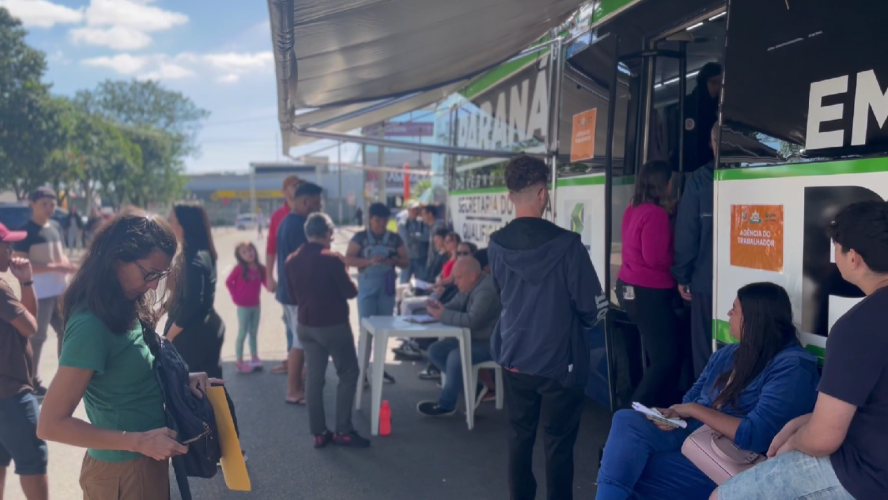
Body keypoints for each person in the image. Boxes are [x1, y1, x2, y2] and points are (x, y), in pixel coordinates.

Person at [713, 201, 888, 500]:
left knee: (721, 497)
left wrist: (793, 443)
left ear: (854, 258)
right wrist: (801, 422)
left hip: (866, 475)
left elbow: (822, 439)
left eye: (837, 246)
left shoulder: (856, 328)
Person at [36, 214, 214, 500]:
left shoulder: (126, 302)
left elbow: (129, 373)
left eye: (162, 276)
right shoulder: (91, 326)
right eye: (150, 273)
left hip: (144, 458)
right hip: (123, 470)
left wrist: (182, 380)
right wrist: (138, 441)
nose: (154, 286)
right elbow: (50, 424)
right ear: (117, 259)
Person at [596, 282, 820, 500]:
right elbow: (691, 398)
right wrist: (673, 413)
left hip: (731, 455)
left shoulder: (793, 367)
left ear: (755, 320)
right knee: (625, 421)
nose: (728, 314)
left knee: (634, 468)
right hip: (694, 434)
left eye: (735, 310)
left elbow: (755, 435)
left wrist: (693, 410)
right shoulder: (729, 353)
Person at [488, 155, 608, 500]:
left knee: (518, 438)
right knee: (558, 446)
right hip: (561, 363)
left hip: (514, 356)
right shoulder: (569, 245)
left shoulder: (495, 244)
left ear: (511, 197)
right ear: (543, 192)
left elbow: (501, 295)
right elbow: (591, 307)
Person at [285, 213, 369, 448]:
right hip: (333, 325)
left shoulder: (292, 259)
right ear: (328, 233)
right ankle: (343, 428)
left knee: (314, 377)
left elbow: (293, 295)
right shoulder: (332, 259)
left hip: (306, 326)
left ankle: (319, 432)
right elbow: (350, 292)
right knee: (348, 372)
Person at [617, 160, 683, 408]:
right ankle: (634, 411)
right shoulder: (655, 215)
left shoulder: (633, 207)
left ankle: (659, 409)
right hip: (649, 293)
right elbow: (655, 258)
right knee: (666, 358)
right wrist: (678, 260)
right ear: (664, 184)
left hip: (627, 287)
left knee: (658, 354)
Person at [13, 187, 77, 398]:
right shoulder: (26, 232)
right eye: (44, 204)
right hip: (39, 294)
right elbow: (22, 263)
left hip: (60, 292)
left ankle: (66, 378)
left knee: (67, 333)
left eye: (52, 204)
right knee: (36, 338)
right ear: (32, 204)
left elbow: (61, 256)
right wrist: (56, 267)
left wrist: (68, 265)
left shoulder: (56, 227)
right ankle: (32, 381)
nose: (50, 208)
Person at [418, 257, 501, 417]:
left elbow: (472, 321)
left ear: (472, 276)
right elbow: (453, 306)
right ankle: (476, 389)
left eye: (458, 277)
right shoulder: (471, 285)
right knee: (435, 351)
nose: (454, 282)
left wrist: (442, 315)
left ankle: (446, 405)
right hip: (473, 339)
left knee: (456, 357)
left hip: (490, 343)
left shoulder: (486, 290)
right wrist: (438, 308)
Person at [0, 223, 47, 500]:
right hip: (11, 394)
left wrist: (26, 282)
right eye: (7, 245)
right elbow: (30, 327)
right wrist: (26, 281)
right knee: (33, 458)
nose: (11, 250)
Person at [345, 202, 409, 385]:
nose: (381, 224)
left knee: (383, 330)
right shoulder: (360, 237)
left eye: (384, 220)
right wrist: (369, 260)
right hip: (366, 286)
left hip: (387, 288)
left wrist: (394, 260)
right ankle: (361, 373)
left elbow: (405, 262)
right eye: (377, 220)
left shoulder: (395, 239)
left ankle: (379, 370)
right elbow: (348, 258)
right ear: (370, 220)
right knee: (365, 330)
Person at [673, 123, 718, 378]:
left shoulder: (700, 180)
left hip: (705, 283)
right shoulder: (760, 174)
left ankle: (706, 411)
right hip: (751, 285)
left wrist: (682, 276)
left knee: (705, 354)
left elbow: (687, 234)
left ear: (713, 144)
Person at [164, 203, 225, 380]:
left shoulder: (192, 259)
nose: (169, 225)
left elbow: (192, 303)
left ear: (184, 225)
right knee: (210, 392)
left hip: (192, 336)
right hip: (206, 329)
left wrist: (169, 335)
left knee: (191, 395)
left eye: (171, 220)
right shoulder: (204, 252)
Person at [278, 182, 323, 405]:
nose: (320, 207)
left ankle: (296, 387)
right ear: (305, 202)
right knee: (300, 342)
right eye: (317, 203)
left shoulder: (288, 222)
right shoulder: (300, 226)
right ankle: (293, 390)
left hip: (289, 293)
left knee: (299, 341)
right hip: (296, 295)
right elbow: (306, 263)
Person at [265, 175, 302, 375]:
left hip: (305, 280)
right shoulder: (278, 216)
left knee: (302, 323)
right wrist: (269, 276)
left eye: (299, 185)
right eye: (293, 185)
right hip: (285, 280)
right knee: (289, 322)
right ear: (284, 191)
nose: (297, 188)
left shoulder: (309, 213)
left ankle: (301, 363)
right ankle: (292, 359)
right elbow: (271, 247)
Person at [226, 241, 265, 374]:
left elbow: (267, 282)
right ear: (240, 256)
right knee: (242, 332)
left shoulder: (260, 268)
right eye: (244, 252)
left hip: (256, 305)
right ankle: (239, 361)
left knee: (253, 332)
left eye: (251, 250)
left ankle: (254, 357)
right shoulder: (239, 269)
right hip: (243, 307)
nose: (249, 254)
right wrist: (235, 297)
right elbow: (228, 282)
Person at [683, 62, 721, 172]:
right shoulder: (691, 104)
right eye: (714, 82)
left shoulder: (719, 104)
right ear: (704, 82)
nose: (717, 87)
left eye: (720, 82)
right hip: (695, 162)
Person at [398, 202, 429, 284]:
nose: (416, 211)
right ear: (408, 210)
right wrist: (419, 237)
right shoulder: (403, 224)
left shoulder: (423, 222)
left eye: (417, 209)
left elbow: (427, 237)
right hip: (408, 258)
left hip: (421, 257)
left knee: (422, 282)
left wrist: (414, 235)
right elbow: (406, 240)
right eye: (413, 209)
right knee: (404, 282)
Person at [421, 205, 446, 276]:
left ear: (430, 214)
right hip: (431, 264)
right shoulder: (431, 227)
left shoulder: (438, 227)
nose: (422, 217)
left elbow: (439, 247)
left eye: (423, 214)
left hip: (436, 264)